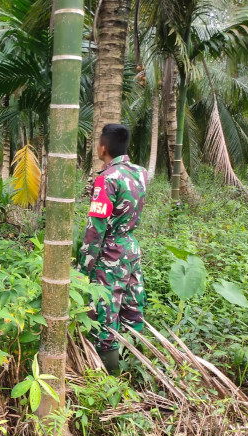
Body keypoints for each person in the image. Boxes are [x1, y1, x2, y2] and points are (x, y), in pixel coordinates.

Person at [79, 123, 147, 374]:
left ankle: (109, 380)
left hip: (110, 252)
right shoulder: (140, 173)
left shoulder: (106, 178)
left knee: (105, 313)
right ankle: (134, 369)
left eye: (98, 142)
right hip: (131, 247)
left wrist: (83, 266)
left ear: (104, 146)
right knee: (132, 308)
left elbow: (96, 228)